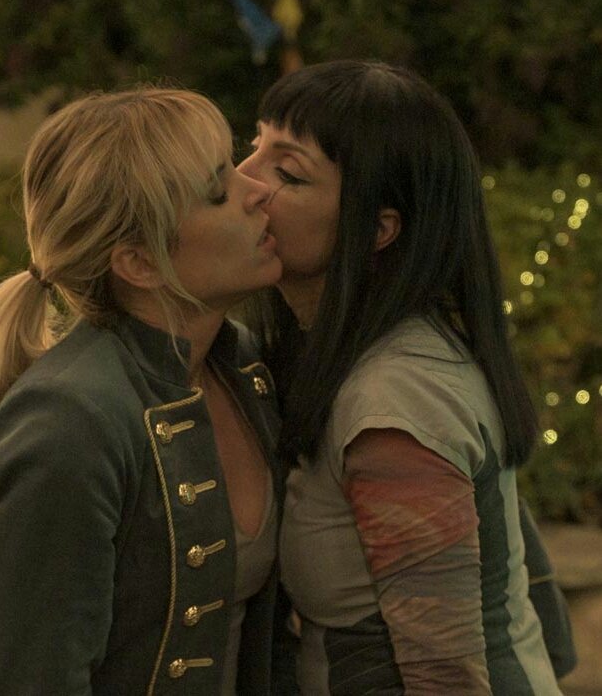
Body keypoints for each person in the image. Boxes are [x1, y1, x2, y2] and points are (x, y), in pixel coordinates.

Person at [0, 87, 286, 695]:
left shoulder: (240, 362)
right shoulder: (71, 420)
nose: (257, 191)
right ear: (139, 263)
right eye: (217, 191)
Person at [238, 60, 565, 694]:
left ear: (378, 230)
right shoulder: (337, 353)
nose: (243, 179)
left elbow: (445, 678)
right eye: (254, 145)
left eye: (288, 173)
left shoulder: (395, 398)